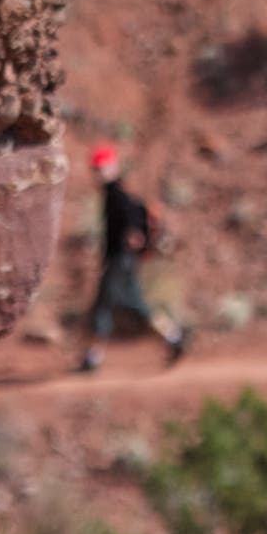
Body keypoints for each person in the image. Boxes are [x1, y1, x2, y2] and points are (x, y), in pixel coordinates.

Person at [78, 140, 187, 375]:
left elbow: (131, 217)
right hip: (124, 261)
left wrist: (133, 235)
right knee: (136, 308)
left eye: (100, 168)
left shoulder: (116, 195)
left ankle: (92, 358)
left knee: (103, 307)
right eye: (94, 169)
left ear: (112, 167)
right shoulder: (114, 194)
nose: (97, 174)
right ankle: (173, 338)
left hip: (119, 261)